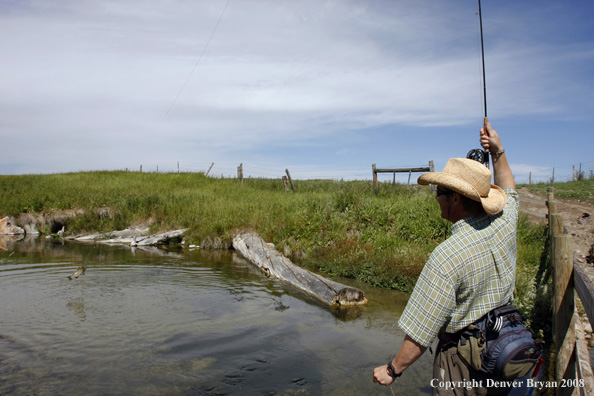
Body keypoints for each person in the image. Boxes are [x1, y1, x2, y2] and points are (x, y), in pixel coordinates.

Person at [373, 122, 518, 395]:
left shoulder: (447, 256)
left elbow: (420, 331)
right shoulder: (506, 221)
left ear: (455, 199)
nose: (435, 197)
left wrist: (392, 369)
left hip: (463, 364)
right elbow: (510, 190)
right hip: (504, 348)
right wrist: (498, 151)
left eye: (439, 192)